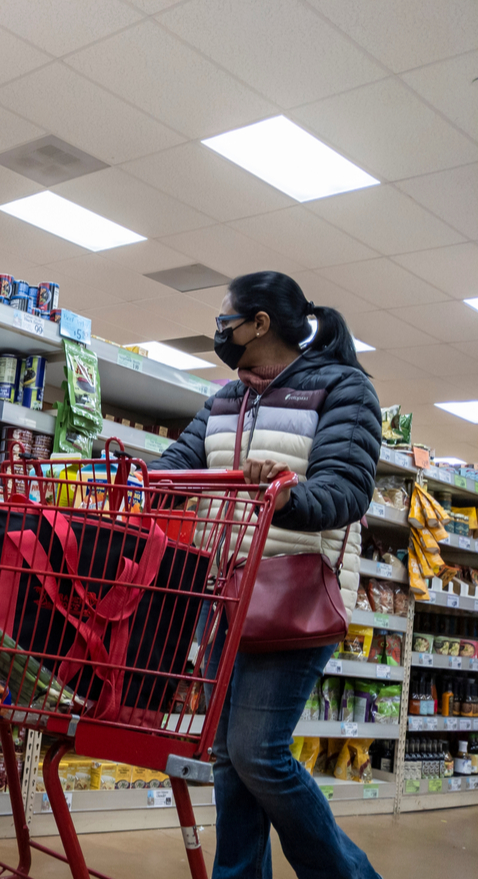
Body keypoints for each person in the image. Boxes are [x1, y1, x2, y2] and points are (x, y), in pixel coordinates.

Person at [151, 271, 383, 879]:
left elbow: (347, 489)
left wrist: (286, 495)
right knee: (229, 756)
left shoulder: (343, 389)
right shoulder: (227, 396)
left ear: (260, 323)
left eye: (225, 319)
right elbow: (182, 460)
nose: (219, 331)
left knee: (259, 753)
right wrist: (139, 480)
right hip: (222, 589)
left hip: (294, 589)